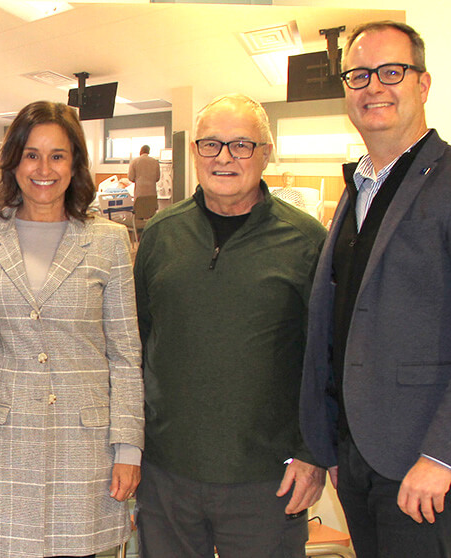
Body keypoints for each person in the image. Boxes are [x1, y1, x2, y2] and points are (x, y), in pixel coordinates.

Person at [299, 20, 451, 558]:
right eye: (358, 75)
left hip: (422, 461)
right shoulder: (358, 189)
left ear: (422, 85)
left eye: (390, 71)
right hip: (356, 456)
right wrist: (331, 442)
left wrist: (442, 457)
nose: (373, 85)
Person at [133, 94, 327, 558]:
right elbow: (132, 348)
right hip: (167, 476)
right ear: (194, 153)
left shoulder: (306, 242)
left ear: (266, 152)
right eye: (211, 144)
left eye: (241, 145)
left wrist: (312, 452)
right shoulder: (161, 235)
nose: (224, 157)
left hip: (268, 480)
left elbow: (326, 360)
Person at [0, 101, 144, 558]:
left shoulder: (108, 242)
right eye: (31, 154)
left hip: (87, 445)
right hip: (6, 439)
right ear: (14, 162)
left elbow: (125, 353)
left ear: (75, 163)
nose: (44, 168)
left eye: (57, 155)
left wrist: (129, 449)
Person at [127, 144, 161, 218]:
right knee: (151, 215)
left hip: (140, 194)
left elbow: (131, 178)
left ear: (141, 151)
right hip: (152, 194)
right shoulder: (155, 162)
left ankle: (139, 228)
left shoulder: (135, 161)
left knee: (139, 215)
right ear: (149, 151)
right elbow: (157, 178)